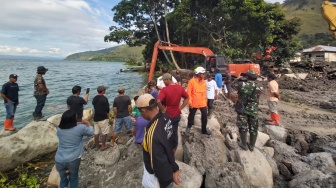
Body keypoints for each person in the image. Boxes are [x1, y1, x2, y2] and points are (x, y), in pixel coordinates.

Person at [136, 94, 181, 188]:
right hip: (169, 165)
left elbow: (157, 163)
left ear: (144, 110)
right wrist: (174, 167)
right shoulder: (166, 117)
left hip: (155, 178)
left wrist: (164, 181)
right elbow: (173, 142)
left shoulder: (152, 134)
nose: (141, 114)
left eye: (140, 112)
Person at [55, 110, 94, 188]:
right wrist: (88, 124)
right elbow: (91, 132)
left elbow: (69, 130)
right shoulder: (80, 128)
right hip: (73, 159)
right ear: (73, 119)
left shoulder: (59, 130)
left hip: (59, 159)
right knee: (73, 179)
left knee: (63, 180)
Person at [157, 73, 189, 153]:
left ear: (168, 80)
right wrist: (180, 108)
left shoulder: (164, 89)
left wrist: (162, 109)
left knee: (166, 131)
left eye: (164, 80)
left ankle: (165, 147)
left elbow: (158, 101)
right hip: (176, 113)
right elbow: (187, 98)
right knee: (174, 131)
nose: (163, 82)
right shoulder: (180, 88)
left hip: (167, 114)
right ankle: (174, 149)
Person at [232, 70, 262, 151]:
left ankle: (243, 144)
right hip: (254, 110)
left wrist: (238, 78)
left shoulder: (242, 84)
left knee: (243, 126)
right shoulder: (259, 87)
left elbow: (232, 85)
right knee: (254, 127)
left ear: (247, 77)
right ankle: (252, 146)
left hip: (243, 109)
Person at [186, 67, 212, 135]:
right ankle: (189, 127)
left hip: (202, 103)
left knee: (204, 116)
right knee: (191, 115)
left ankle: (204, 130)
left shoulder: (204, 82)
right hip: (194, 103)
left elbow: (204, 93)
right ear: (199, 74)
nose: (204, 75)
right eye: (203, 74)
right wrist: (190, 103)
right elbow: (189, 93)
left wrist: (205, 102)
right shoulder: (191, 81)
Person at [92, 86, 110, 151]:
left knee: (96, 133)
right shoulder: (104, 98)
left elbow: (94, 104)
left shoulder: (94, 98)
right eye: (105, 90)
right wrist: (108, 114)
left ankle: (97, 146)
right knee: (104, 132)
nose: (105, 90)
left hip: (96, 117)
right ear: (103, 91)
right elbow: (107, 108)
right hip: (103, 117)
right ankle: (103, 145)